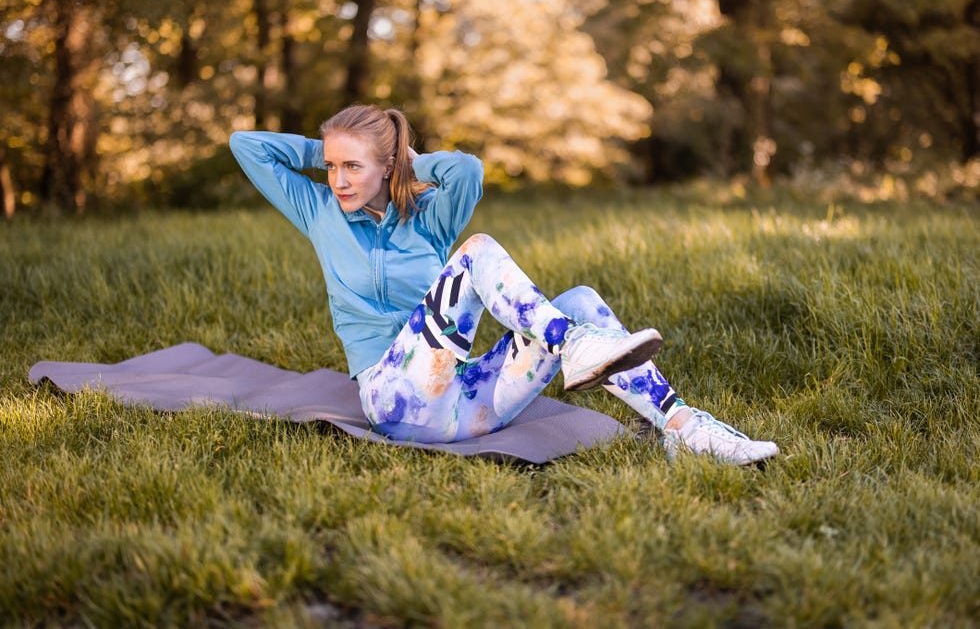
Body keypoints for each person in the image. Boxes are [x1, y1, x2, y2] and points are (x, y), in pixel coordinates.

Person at [229, 105, 779, 465]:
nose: (339, 180)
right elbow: (245, 145)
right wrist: (327, 150)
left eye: (354, 167)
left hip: (471, 405)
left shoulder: (427, 216)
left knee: (582, 299)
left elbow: (466, 170)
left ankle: (684, 428)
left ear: (389, 166)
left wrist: (408, 160)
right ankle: (575, 346)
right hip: (396, 401)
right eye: (332, 167)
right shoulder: (318, 209)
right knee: (480, 251)